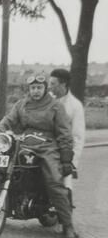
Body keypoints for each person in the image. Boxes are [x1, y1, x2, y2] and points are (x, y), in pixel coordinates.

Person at [0, 74, 76, 238]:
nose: (35, 91)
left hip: (48, 146)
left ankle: (68, 224)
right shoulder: (22, 104)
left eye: (39, 88)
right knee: (4, 165)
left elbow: (64, 133)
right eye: (32, 88)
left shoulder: (55, 106)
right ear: (29, 89)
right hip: (25, 142)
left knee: (54, 181)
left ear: (45, 88)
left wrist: (66, 157)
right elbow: (9, 120)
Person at [50, 68, 85, 199]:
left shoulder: (75, 106)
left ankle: (64, 212)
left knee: (64, 188)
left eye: (53, 84)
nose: (50, 87)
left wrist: (72, 162)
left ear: (63, 84)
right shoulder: (47, 100)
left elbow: (78, 136)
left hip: (63, 151)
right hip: (44, 147)